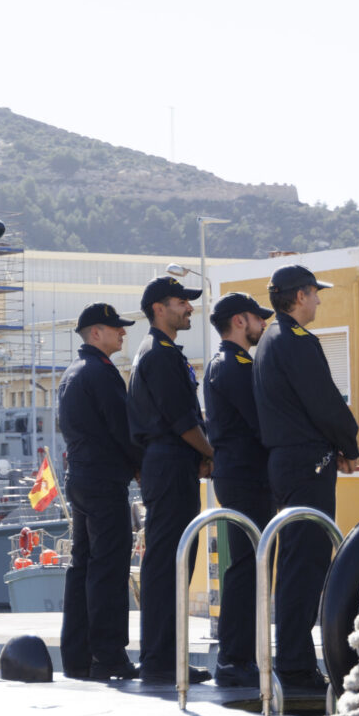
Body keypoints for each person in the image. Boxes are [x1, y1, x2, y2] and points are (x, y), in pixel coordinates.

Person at [252, 263, 359, 696]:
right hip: (305, 462)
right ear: (299, 296)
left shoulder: (269, 340)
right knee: (305, 563)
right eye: (315, 293)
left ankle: (293, 659)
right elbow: (325, 401)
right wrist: (349, 444)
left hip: (287, 460)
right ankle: (296, 665)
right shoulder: (296, 341)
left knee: (296, 561)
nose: (318, 301)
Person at [128, 276, 215, 685]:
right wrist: (211, 453)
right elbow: (182, 421)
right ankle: (160, 661)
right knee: (169, 563)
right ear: (158, 308)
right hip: (169, 462)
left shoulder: (159, 351)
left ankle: (165, 657)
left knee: (173, 561)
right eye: (182, 302)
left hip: (170, 462)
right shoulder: (159, 355)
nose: (189, 308)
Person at [55, 303, 144, 681]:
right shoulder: (102, 373)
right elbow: (123, 429)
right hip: (105, 482)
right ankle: (108, 656)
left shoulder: (72, 373)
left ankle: (77, 657)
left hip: (80, 479)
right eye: (115, 328)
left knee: (81, 567)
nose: (123, 333)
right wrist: (141, 467)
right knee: (108, 568)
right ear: (95, 333)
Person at [202, 292, 275, 689]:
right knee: (248, 566)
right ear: (240, 321)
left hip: (241, 475)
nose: (263, 324)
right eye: (257, 317)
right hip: (246, 476)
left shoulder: (228, 363)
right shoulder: (234, 365)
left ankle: (240, 656)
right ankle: (234, 659)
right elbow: (262, 422)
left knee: (250, 565)